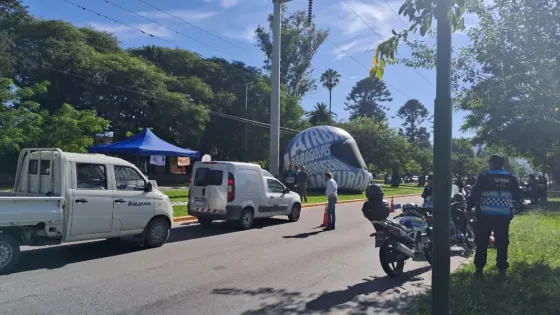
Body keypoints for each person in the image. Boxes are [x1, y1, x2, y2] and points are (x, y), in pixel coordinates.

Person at [468, 154, 523, 278]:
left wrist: (469, 207)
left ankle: (479, 269)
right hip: (503, 215)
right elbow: (518, 196)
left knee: (482, 242)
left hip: (485, 215)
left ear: (491, 164)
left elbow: (475, 193)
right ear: (502, 165)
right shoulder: (511, 177)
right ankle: (502, 270)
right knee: (502, 242)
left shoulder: (485, 176)